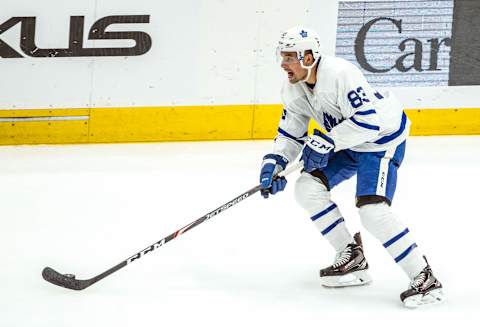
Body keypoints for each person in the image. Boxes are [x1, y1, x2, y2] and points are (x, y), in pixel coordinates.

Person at [259, 26, 444, 307]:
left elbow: (369, 123)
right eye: (281, 56)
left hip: (380, 141)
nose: (283, 64)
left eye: (289, 57)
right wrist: (276, 161)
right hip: (347, 142)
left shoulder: (340, 73)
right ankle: (352, 256)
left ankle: (424, 278)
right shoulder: (292, 86)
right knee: (307, 188)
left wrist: (327, 143)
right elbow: (290, 132)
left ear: (308, 57)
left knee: (372, 211)